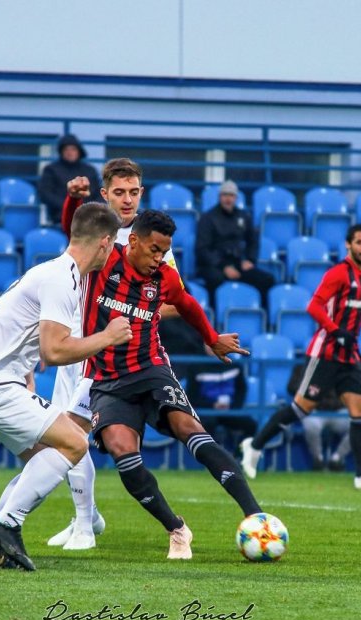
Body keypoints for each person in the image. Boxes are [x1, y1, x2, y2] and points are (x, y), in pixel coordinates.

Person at [84, 210, 261, 560]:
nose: (159, 258)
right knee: (121, 450)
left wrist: (211, 337)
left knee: (188, 427)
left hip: (150, 367)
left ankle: (256, 516)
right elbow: (73, 233)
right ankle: (176, 528)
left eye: (164, 252)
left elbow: (187, 304)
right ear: (133, 240)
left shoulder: (164, 277)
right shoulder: (103, 262)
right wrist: (73, 201)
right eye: (154, 250)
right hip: (107, 377)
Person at [0, 202, 129, 571]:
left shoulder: (53, 272)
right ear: (105, 242)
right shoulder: (61, 279)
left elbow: (6, 328)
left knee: (43, 458)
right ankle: (5, 526)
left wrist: (23, 370)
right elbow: (54, 351)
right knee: (74, 443)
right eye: (113, 244)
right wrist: (107, 337)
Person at [45, 158, 181, 551]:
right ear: (105, 194)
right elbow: (70, 234)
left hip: (109, 355)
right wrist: (71, 202)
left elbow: (174, 301)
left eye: (133, 192)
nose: (127, 200)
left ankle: (85, 527)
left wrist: (131, 312)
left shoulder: (149, 241)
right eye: (119, 192)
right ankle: (84, 517)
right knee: (60, 436)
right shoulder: (96, 229)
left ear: (142, 193)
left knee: (72, 433)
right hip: (73, 343)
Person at [239, 224, 361, 490]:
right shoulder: (338, 273)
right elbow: (314, 306)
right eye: (359, 242)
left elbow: (353, 321)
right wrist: (336, 331)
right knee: (301, 408)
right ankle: (254, 445)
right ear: (348, 244)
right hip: (325, 353)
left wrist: (353, 346)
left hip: (349, 356)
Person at [162, 317, 257, 455]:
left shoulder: (235, 366)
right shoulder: (196, 368)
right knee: (207, 425)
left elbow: (241, 390)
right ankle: (214, 459)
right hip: (206, 411)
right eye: (209, 342)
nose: (212, 346)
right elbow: (192, 397)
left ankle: (238, 456)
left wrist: (233, 407)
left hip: (230, 410)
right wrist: (212, 406)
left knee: (251, 425)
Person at [195, 180, 275, 308]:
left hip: (237, 263)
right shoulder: (207, 218)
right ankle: (214, 315)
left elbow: (253, 240)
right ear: (220, 196)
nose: (228, 199)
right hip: (213, 265)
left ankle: (261, 315)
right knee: (215, 279)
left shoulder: (243, 216)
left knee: (267, 280)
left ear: (236, 198)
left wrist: (250, 259)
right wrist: (224, 266)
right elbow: (202, 249)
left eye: (231, 195)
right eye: (225, 195)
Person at [39, 134, 100, 225]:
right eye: (66, 149)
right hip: (61, 217)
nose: (69, 152)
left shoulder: (90, 170)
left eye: (73, 149)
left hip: (89, 218)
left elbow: (98, 193)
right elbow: (45, 194)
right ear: (61, 151)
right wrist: (67, 206)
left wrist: (90, 208)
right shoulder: (51, 170)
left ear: (79, 151)